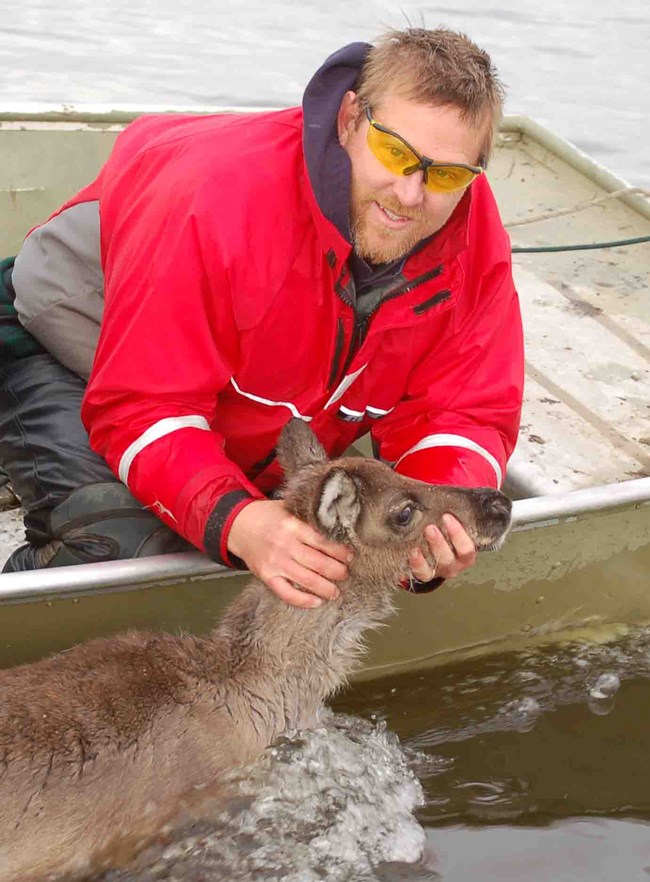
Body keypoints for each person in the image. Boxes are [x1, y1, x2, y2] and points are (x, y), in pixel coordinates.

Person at [0, 27, 524, 605]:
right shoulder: (218, 200)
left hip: (248, 408)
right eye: (395, 152)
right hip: (71, 338)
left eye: (446, 175)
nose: (409, 193)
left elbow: (462, 412)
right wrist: (241, 522)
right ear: (351, 120)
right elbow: (144, 402)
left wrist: (436, 521)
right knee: (123, 542)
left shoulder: (473, 245)